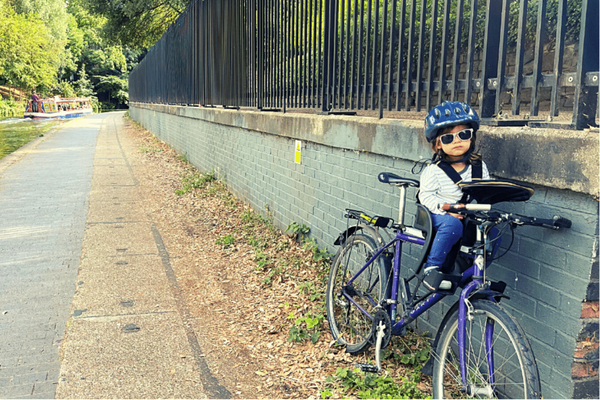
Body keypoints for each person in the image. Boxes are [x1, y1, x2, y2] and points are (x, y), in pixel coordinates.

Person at [418, 100, 489, 291]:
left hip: (468, 214)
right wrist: (446, 208)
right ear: (438, 144)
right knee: (452, 225)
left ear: (471, 138)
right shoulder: (434, 171)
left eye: (463, 134)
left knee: (493, 231)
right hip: (439, 215)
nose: (457, 140)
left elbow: (485, 191)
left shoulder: (479, 167)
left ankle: (474, 271)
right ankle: (432, 268)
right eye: (448, 138)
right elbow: (425, 197)